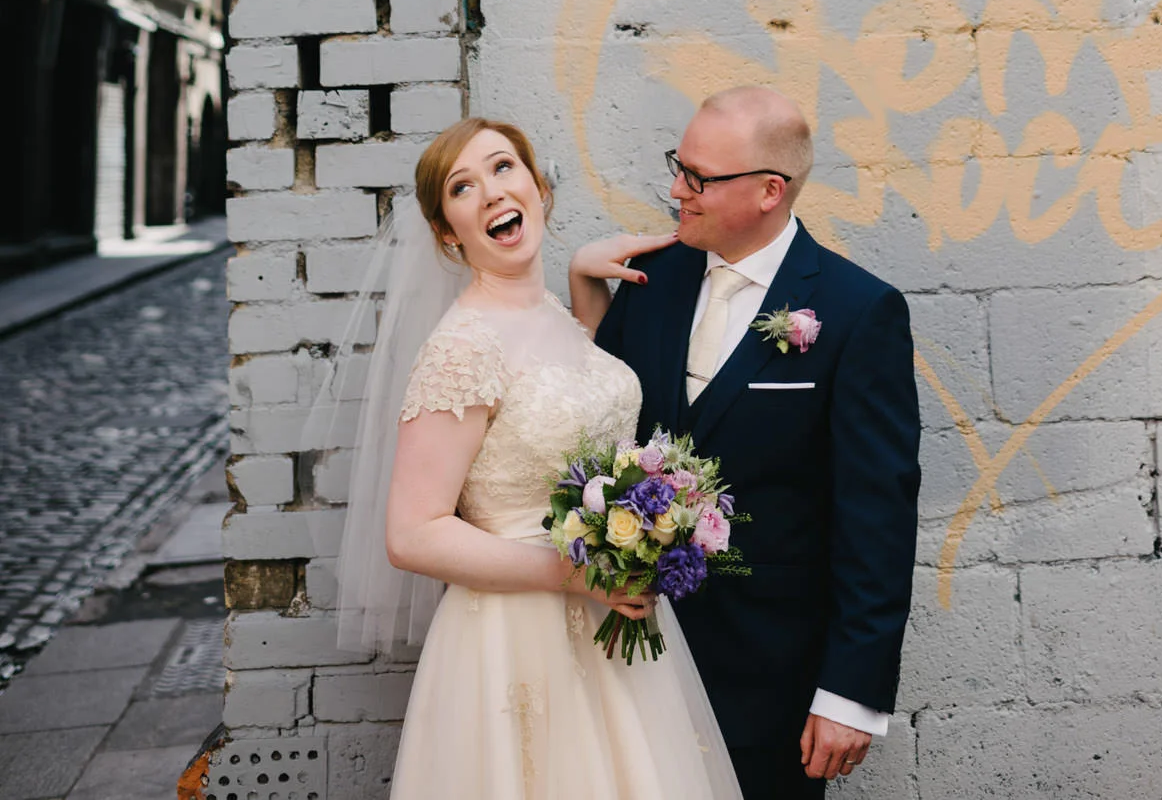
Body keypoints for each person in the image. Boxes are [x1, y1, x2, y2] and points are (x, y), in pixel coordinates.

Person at [325, 115, 744, 800]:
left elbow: (565, 402)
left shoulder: (550, 311)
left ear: (538, 187)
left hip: (615, 622)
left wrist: (583, 275)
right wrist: (575, 576)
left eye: (502, 167)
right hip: (517, 641)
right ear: (447, 231)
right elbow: (411, 532)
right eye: (463, 187)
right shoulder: (461, 349)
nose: (490, 192)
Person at [571, 86, 922, 799]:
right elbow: (605, 432)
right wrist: (583, 279)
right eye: (679, 165)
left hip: (771, 682)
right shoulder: (649, 280)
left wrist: (849, 693)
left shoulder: (859, 313)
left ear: (770, 189)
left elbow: (877, 518)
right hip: (635, 660)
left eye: (698, 177)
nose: (676, 189)